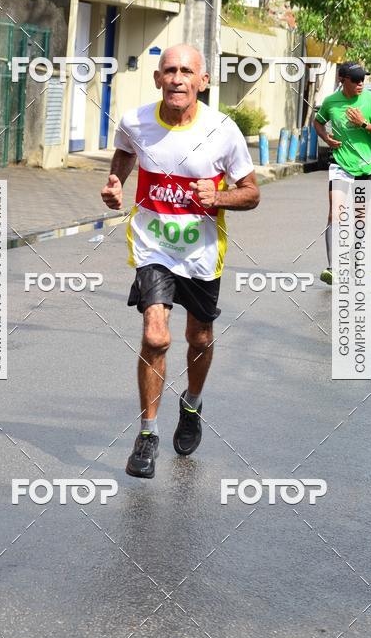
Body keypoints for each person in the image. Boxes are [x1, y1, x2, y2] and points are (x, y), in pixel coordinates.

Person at [101, 44, 260, 479]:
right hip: (153, 247)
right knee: (156, 337)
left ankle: (191, 404)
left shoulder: (222, 131)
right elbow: (125, 153)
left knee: (199, 337)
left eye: (187, 71)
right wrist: (116, 184)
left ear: (202, 82)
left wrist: (220, 197)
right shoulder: (135, 122)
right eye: (169, 70)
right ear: (157, 79)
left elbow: (252, 193)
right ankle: (147, 433)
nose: (177, 78)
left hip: (201, 254)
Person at [313, 62, 371, 285]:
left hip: (365, 167)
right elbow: (318, 122)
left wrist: (364, 124)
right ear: (342, 80)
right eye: (355, 79)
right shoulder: (331, 102)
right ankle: (333, 268)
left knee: (359, 217)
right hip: (340, 165)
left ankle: (357, 260)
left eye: (362, 79)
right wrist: (326, 137)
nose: (360, 83)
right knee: (335, 214)